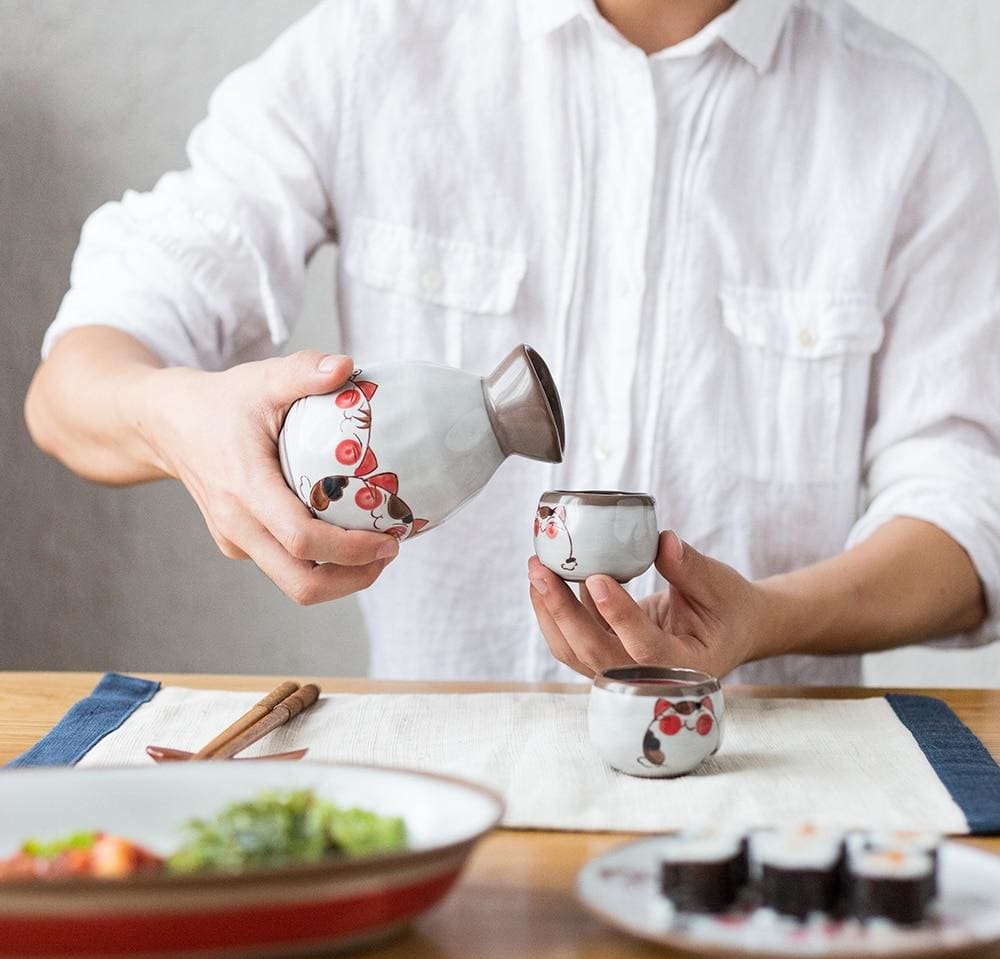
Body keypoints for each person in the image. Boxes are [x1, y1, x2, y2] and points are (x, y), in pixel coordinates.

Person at [25, 0, 1000, 684]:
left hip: (774, 798)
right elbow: (77, 382)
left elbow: (967, 510)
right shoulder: (375, 46)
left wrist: (763, 622)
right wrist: (183, 423)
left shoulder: (906, 121)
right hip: (440, 796)